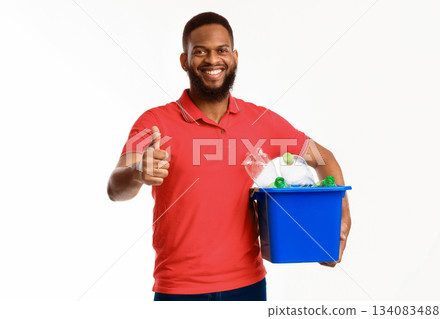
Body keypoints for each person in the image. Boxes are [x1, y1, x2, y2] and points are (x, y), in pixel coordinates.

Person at [107, 12, 351, 301]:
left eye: (221, 50)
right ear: (184, 60)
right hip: (179, 290)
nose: (212, 60)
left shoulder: (262, 122)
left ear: (234, 57)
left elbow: (324, 158)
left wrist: (341, 224)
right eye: (200, 51)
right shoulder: (153, 123)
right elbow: (115, 190)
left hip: (248, 287)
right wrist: (137, 171)